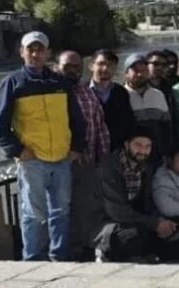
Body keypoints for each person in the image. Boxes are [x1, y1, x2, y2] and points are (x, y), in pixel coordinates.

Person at [0, 31, 85, 261]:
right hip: (33, 160)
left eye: (40, 50)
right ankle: (32, 258)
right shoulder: (13, 83)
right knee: (33, 213)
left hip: (62, 158)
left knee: (61, 211)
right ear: (22, 52)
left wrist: (76, 148)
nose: (35, 54)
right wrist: (18, 151)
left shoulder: (60, 82)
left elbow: (76, 118)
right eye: (30, 50)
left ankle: (59, 256)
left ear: (48, 53)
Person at [59, 50, 111, 260]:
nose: (72, 70)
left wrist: (103, 159)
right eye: (67, 66)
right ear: (56, 66)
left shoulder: (87, 92)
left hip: (88, 162)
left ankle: (85, 248)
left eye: (76, 67)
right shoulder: (52, 91)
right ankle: (64, 251)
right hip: (60, 162)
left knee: (87, 208)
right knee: (62, 209)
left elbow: (100, 127)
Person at [93, 128, 174, 263]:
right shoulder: (108, 168)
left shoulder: (145, 168)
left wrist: (160, 222)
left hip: (131, 220)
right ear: (126, 145)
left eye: (147, 147)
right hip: (103, 222)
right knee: (131, 234)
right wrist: (154, 223)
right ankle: (103, 251)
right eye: (138, 145)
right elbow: (116, 212)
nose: (143, 151)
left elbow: (147, 204)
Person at [122, 53, 173, 160]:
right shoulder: (119, 95)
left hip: (157, 154)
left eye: (144, 70)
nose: (140, 74)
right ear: (126, 73)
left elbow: (167, 126)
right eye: (135, 70)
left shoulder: (158, 94)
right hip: (130, 155)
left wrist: (168, 152)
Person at [89, 49, 136, 149]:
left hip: (115, 150)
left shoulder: (121, 92)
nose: (105, 68)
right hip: (89, 149)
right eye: (101, 64)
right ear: (91, 66)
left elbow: (128, 122)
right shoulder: (82, 91)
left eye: (110, 65)